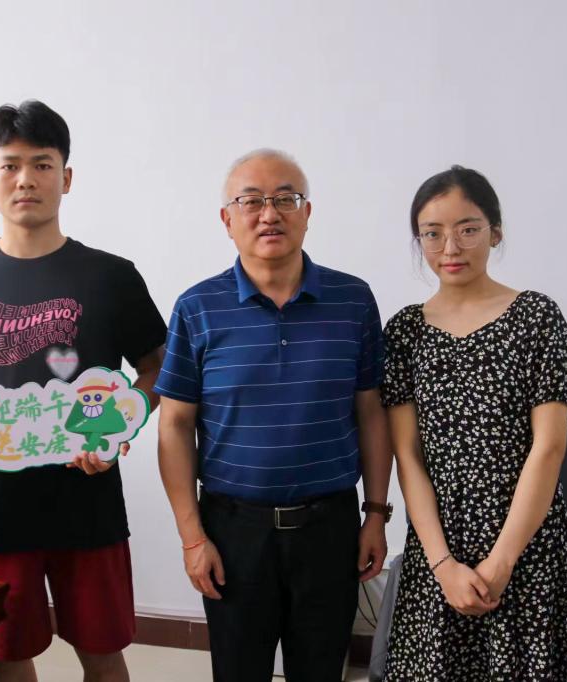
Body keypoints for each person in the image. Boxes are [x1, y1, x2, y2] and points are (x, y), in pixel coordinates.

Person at [0, 100, 166, 682]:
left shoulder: (112, 276)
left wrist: (121, 422)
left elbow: (157, 366)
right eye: (11, 165)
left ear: (66, 178)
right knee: (6, 655)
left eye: (43, 164)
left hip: (88, 501)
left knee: (103, 653)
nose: (26, 179)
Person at [154, 149, 393, 681]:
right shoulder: (197, 307)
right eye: (251, 201)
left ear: (308, 213)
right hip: (233, 532)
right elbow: (174, 425)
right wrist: (192, 537)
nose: (269, 214)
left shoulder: (352, 301)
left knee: (321, 671)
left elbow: (372, 413)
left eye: (286, 199)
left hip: (330, 528)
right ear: (227, 219)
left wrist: (376, 513)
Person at [380, 166, 567, 680]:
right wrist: (442, 565)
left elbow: (548, 448)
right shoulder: (405, 331)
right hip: (439, 549)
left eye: (468, 229)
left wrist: (502, 561)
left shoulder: (537, 318)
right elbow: (407, 455)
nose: (450, 247)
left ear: (495, 232)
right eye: (432, 233)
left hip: (525, 546)